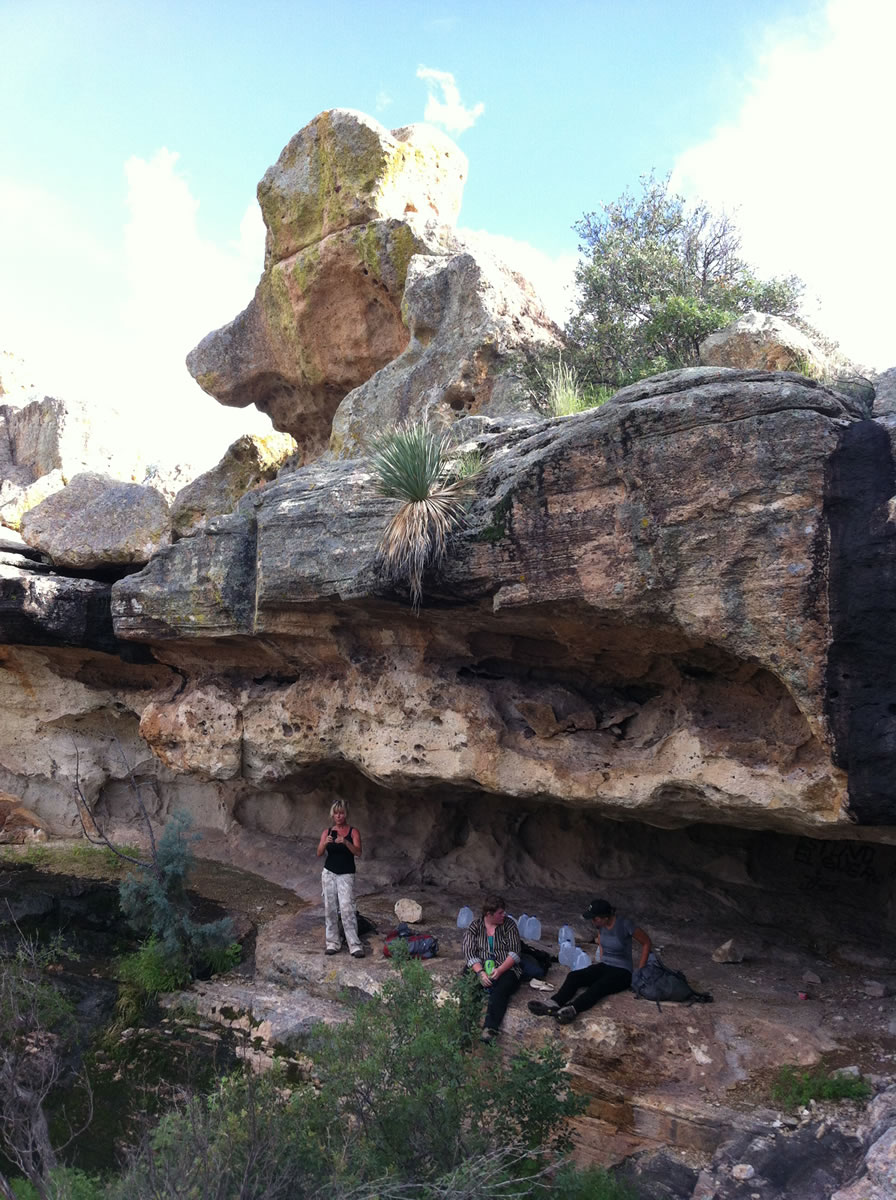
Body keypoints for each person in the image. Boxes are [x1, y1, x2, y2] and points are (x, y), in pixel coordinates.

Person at [528, 897, 651, 1024]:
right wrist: (602, 960)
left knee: (599, 986)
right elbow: (602, 942)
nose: (593, 921)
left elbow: (646, 943)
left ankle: (572, 1009)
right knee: (574, 976)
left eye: (595, 918)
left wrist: (639, 971)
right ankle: (554, 1003)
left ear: (605, 916)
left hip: (623, 971)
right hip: (605, 965)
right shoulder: (600, 926)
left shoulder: (625, 924)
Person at [462, 894, 522, 1043]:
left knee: (501, 990)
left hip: (505, 966)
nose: (504, 915)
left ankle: (490, 1028)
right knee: (470, 989)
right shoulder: (475, 926)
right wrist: (480, 972)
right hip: (481, 967)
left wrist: (500, 970)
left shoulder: (509, 925)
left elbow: (515, 952)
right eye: (500, 913)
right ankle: (464, 1031)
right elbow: (469, 952)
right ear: (489, 914)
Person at [317, 800, 364, 958]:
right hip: (329, 873)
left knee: (346, 907)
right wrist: (325, 843)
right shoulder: (328, 832)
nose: (339, 816)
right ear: (332, 815)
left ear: (346, 814)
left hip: (346, 874)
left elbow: (358, 852)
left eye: (341, 812)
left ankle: (354, 944)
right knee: (330, 907)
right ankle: (332, 942)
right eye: (336, 813)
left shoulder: (353, 832)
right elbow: (319, 853)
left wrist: (345, 842)